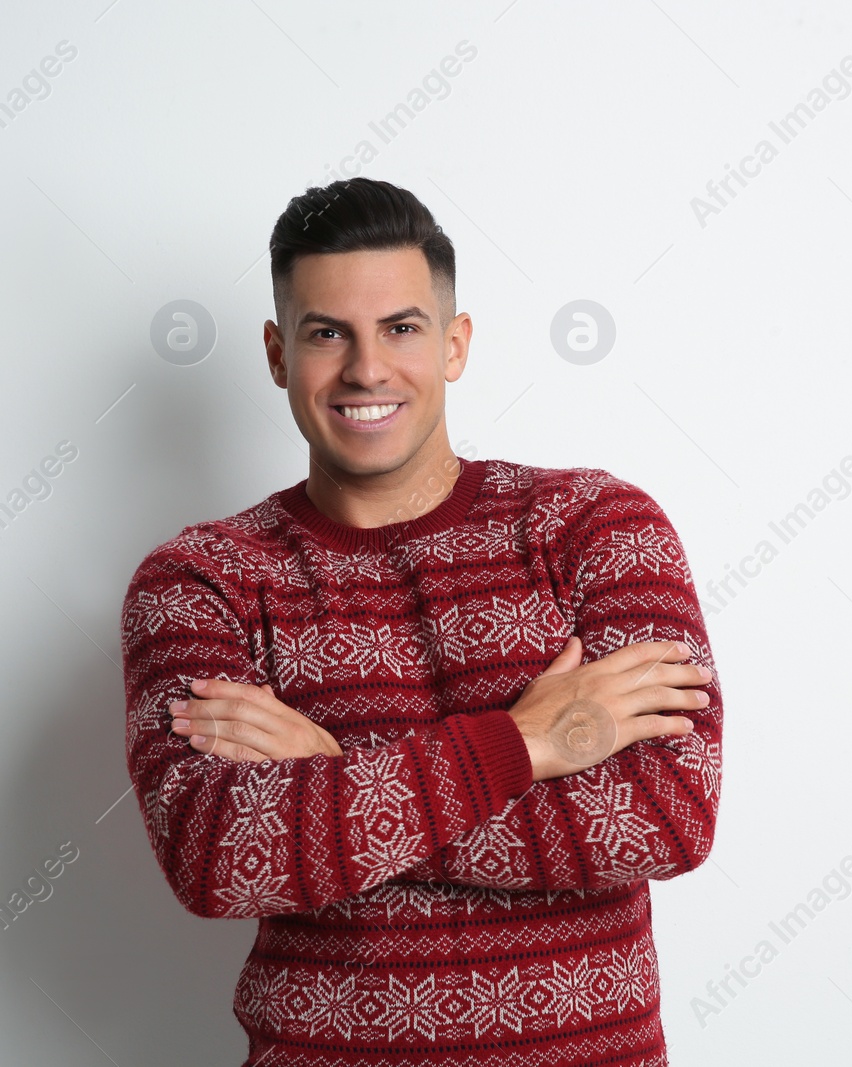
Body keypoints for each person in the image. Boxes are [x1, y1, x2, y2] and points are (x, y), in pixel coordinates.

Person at [120, 176, 724, 1066]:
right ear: (278, 352)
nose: (367, 369)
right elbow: (219, 854)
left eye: (401, 327)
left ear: (455, 343)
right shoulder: (203, 579)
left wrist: (329, 774)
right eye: (329, 333)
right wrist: (524, 745)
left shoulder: (595, 526)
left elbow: (664, 814)